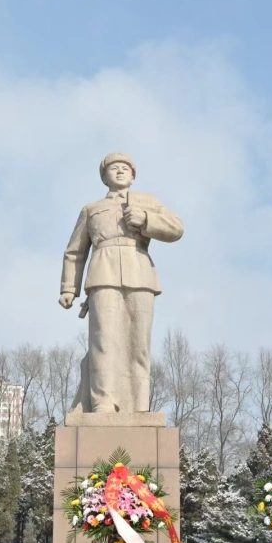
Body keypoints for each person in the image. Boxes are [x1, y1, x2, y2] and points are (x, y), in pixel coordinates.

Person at [59, 152, 184, 413]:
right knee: (104, 340)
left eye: (125, 168)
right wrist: (69, 288)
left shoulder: (146, 202)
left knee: (138, 343)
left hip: (140, 273)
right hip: (102, 274)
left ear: (133, 175)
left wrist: (147, 220)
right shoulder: (91, 209)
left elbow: (176, 228)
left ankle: (138, 404)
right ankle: (103, 401)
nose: (119, 171)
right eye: (113, 168)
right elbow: (75, 252)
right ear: (104, 176)